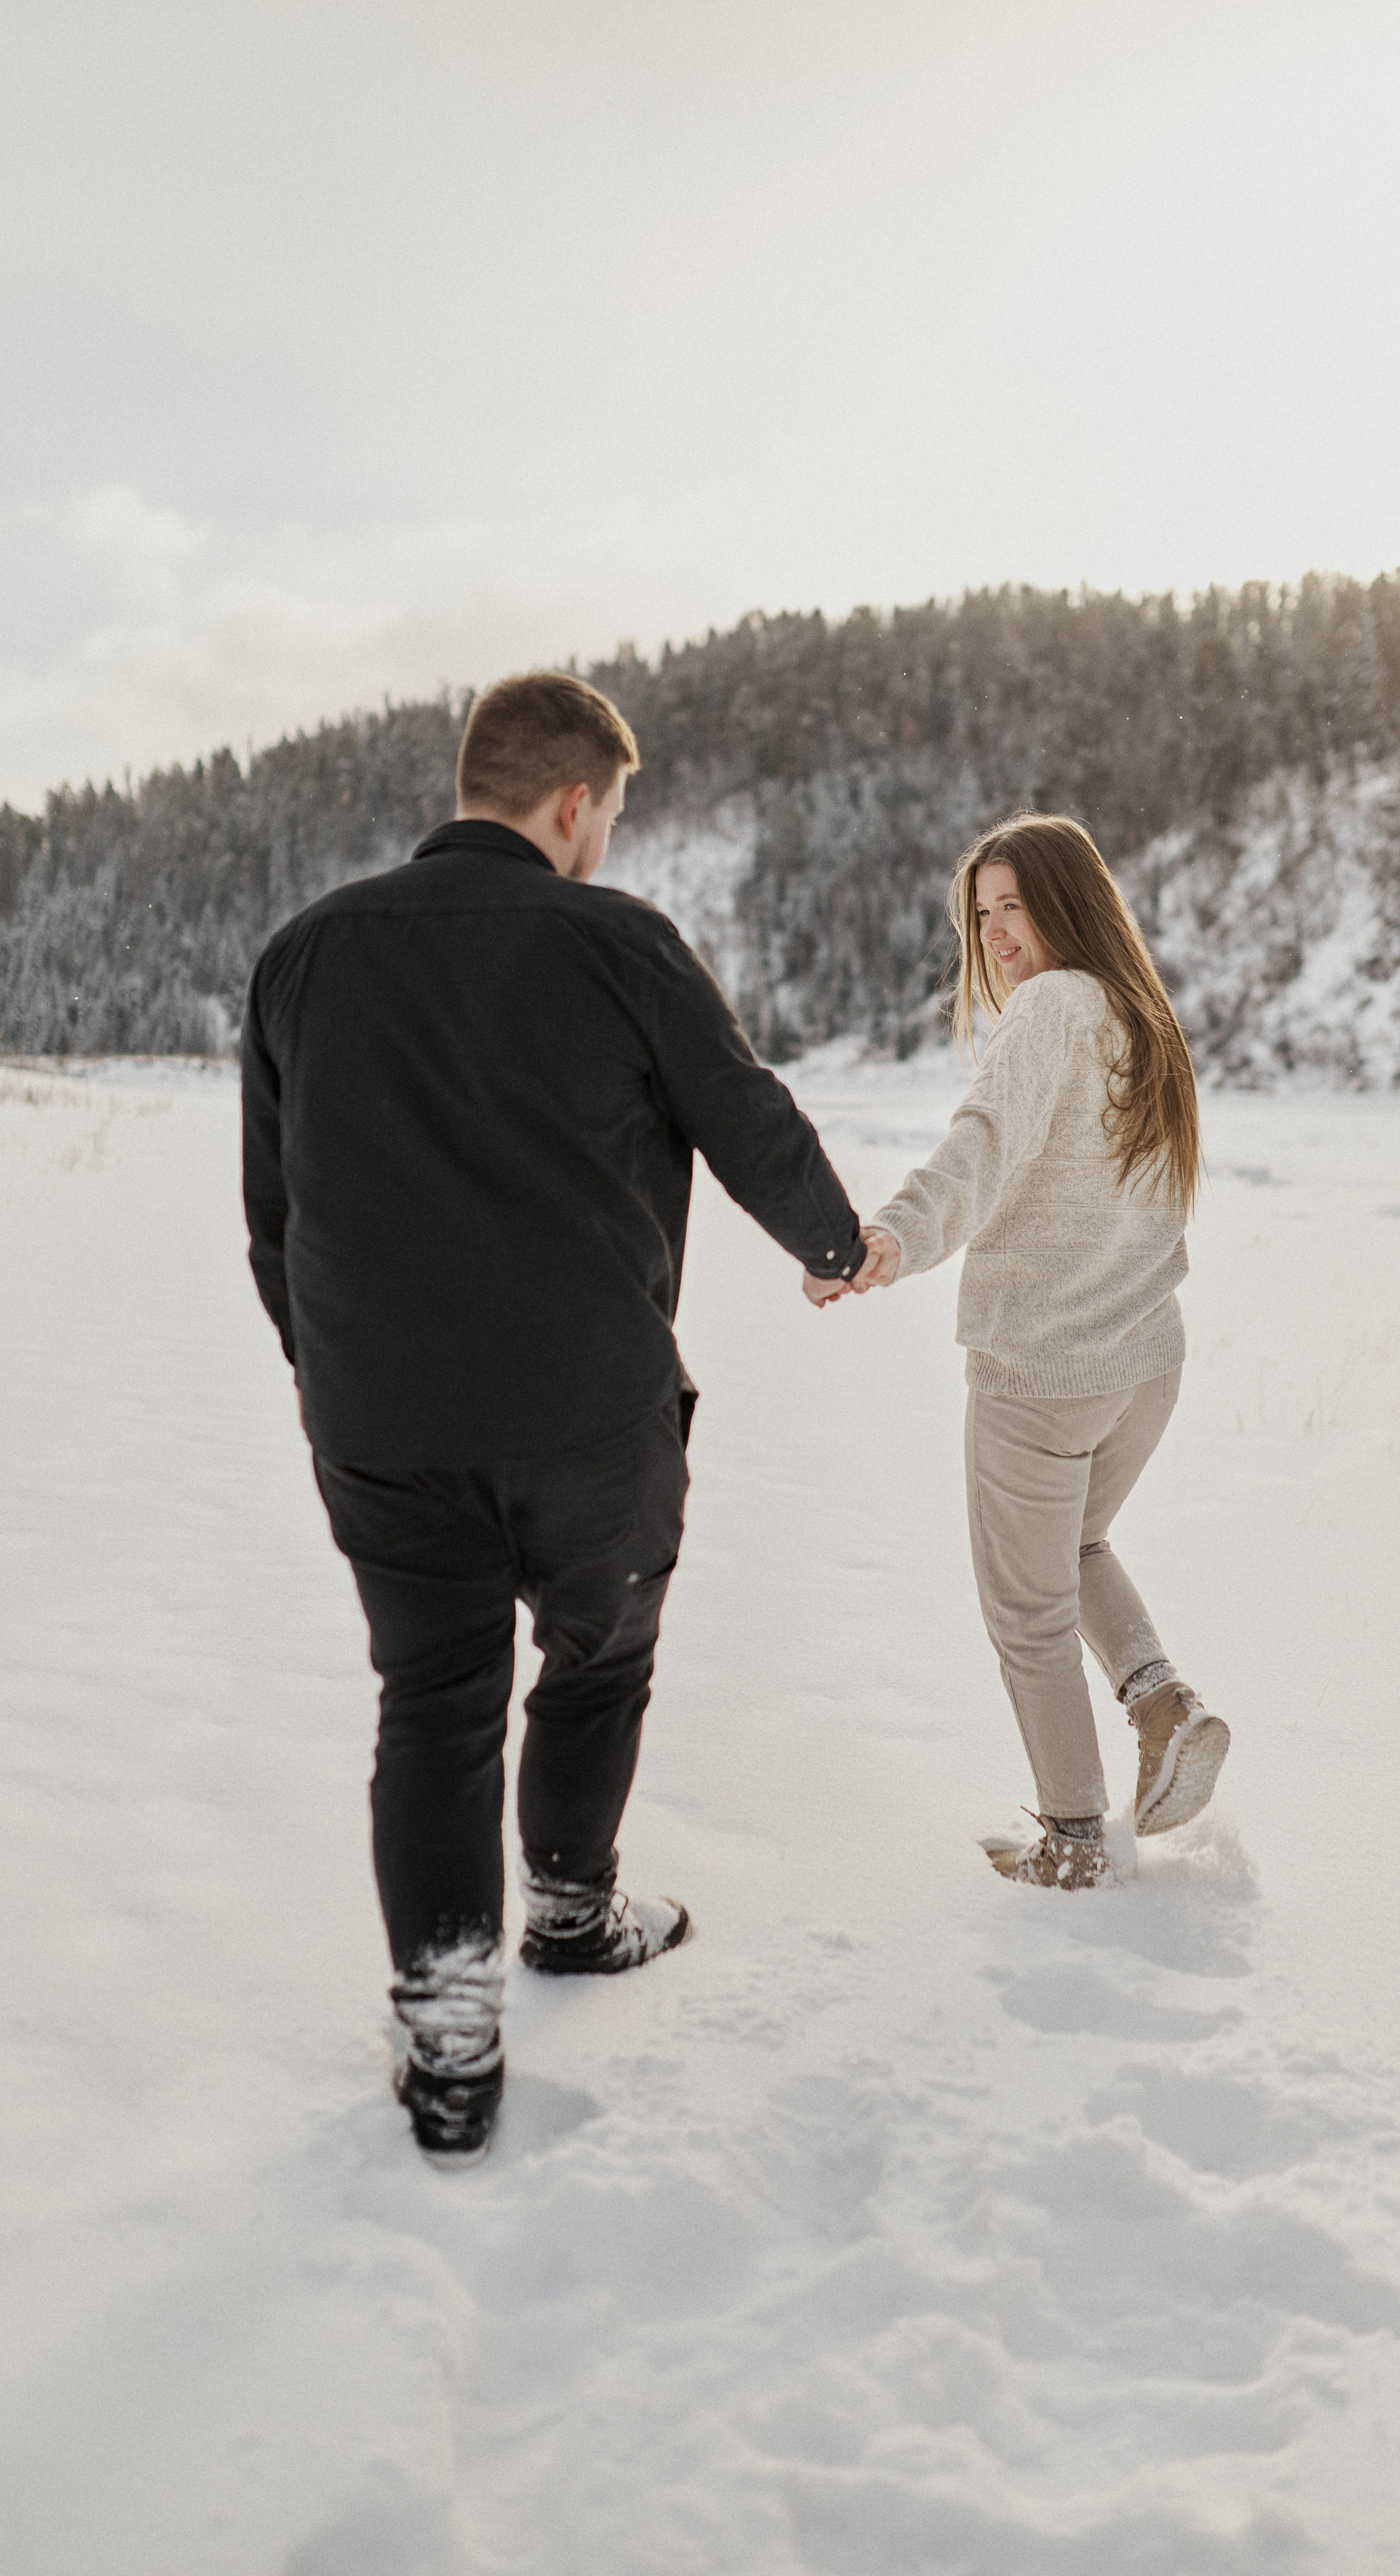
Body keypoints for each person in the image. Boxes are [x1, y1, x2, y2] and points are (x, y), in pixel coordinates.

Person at [242, 671, 866, 2159]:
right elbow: (745, 1115)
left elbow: (278, 1221)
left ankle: (447, 2035)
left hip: (382, 1427)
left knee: (434, 1701)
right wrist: (837, 1247)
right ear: (573, 802)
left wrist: (334, 1375)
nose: (604, 840)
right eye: (612, 815)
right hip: (591, 1420)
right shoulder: (615, 942)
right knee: (598, 1655)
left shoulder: (303, 957)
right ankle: (574, 1916)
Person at [830, 815, 1227, 1889]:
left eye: (1016, 905)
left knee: (1028, 1608)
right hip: (1146, 1361)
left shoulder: (1051, 1008)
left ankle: (1075, 1842)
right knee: (1078, 1544)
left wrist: (895, 1234)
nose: (998, 933)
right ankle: (1163, 1702)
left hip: (1046, 1374)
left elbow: (983, 1146)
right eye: (983, 912)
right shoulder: (1138, 1013)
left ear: (1070, 900)